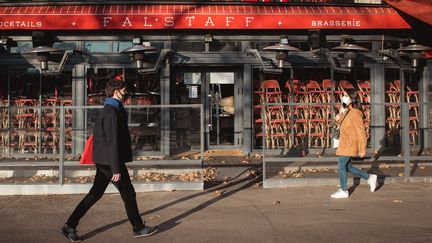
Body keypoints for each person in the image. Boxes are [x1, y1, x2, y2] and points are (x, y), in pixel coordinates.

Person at [62, 79, 157, 241]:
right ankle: (138, 228)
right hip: (110, 161)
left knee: (95, 194)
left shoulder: (112, 110)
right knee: (128, 193)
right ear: (116, 92)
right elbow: (111, 142)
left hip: (104, 160)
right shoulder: (111, 112)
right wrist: (115, 169)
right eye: (124, 90)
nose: (126, 93)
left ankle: (70, 226)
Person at [331, 88, 377, 199]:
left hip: (349, 143)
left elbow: (361, 131)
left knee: (341, 166)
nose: (343, 97)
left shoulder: (356, 113)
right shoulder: (347, 111)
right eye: (343, 95)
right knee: (348, 167)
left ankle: (343, 190)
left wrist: (362, 149)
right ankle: (369, 177)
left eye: (346, 95)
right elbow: (339, 124)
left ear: (352, 98)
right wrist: (337, 118)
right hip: (344, 142)